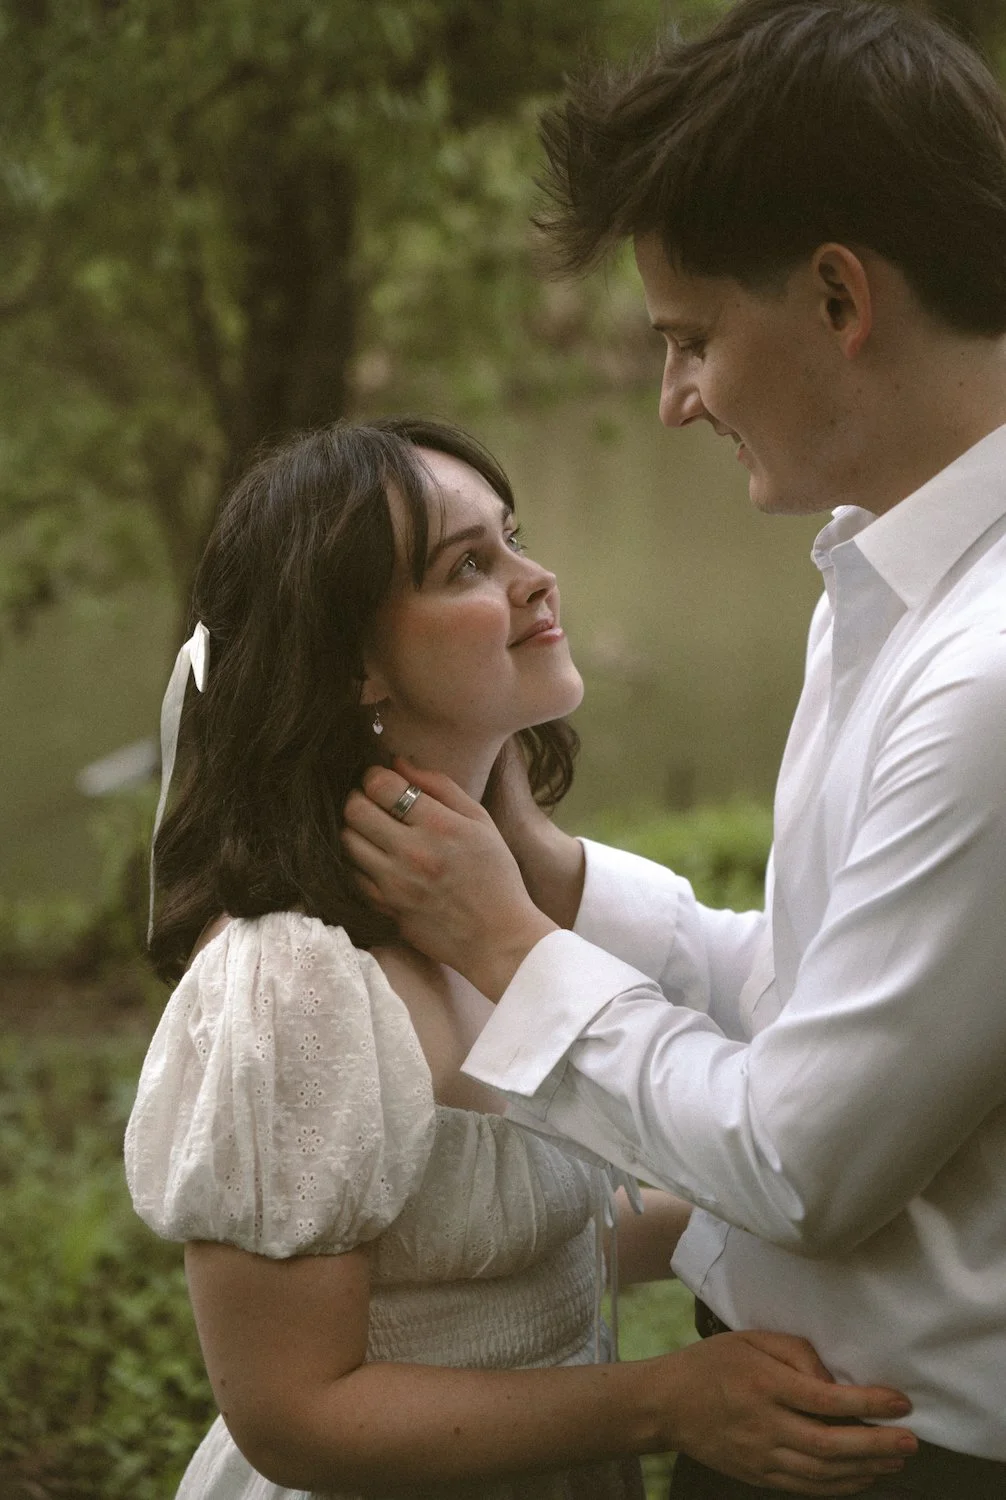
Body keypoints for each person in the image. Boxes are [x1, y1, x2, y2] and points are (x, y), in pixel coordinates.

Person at [340, 3, 1006, 1498]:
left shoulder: (985, 672)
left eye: (693, 339)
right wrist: (559, 883)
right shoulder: (888, 581)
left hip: (905, 1463)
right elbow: (837, 994)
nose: (674, 399)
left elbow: (797, 1163)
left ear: (837, 296)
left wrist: (507, 948)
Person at [124, 417, 919, 1500]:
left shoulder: (490, 915)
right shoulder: (297, 980)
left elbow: (513, 1237)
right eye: (467, 565)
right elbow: (292, 1415)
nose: (535, 579)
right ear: (354, 664)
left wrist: (863, 1211)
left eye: (514, 539)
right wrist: (665, 1399)